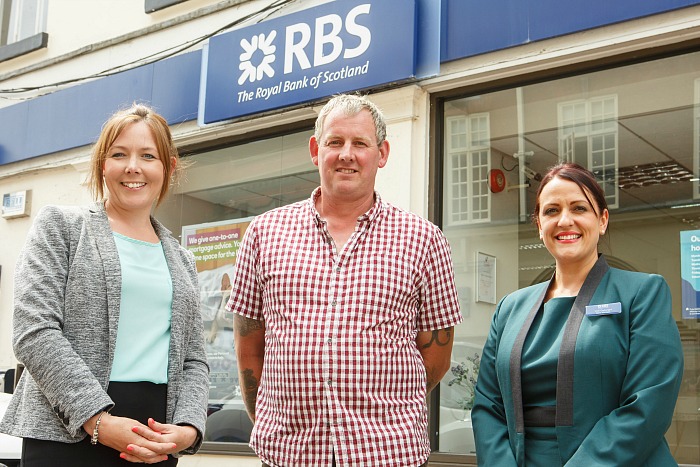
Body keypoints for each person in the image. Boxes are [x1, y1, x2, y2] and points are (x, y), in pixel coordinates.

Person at [227, 94, 463, 466]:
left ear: (381, 154)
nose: (346, 154)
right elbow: (248, 345)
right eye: (335, 142)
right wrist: (276, 421)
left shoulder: (423, 239)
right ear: (315, 149)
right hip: (290, 454)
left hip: (387, 453)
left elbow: (436, 354)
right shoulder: (264, 233)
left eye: (360, 143)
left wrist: (389, 404)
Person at [0, 104, 210, 465]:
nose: (133, 167)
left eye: (148, 155)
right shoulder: (61, 227)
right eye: (119, 154)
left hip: (153, 436)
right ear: (102, 165)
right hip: (66, 430)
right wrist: (97, 420)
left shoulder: (182, 260)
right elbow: (34, 331)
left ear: (168, 169)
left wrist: (188, 428)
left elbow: (194, 358)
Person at [472, 163, 683, 466]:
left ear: (602, 220)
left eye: (579, 208)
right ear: (539, 226)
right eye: (552, 210)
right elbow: (487, 407)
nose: (565, 220)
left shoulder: (642, 294)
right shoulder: (509, 308)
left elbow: (649, 405)